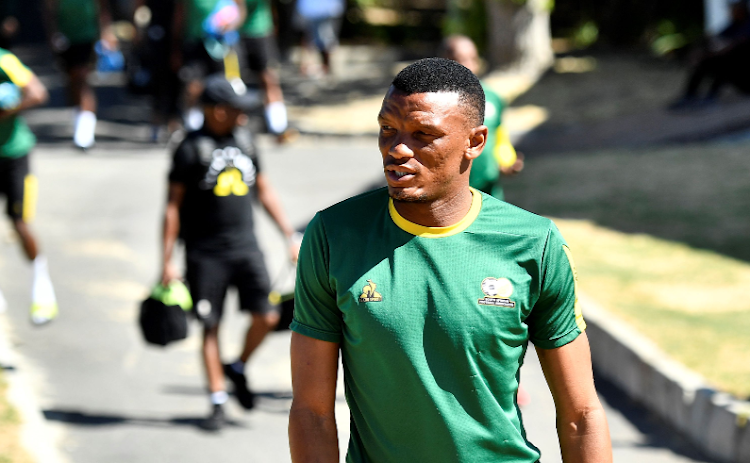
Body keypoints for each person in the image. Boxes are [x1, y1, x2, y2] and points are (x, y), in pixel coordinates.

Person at [288, 58, 612, 462]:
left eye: (424, 134)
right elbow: (311, 412)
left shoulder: (534, 244)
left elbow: (581, 413)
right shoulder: (335, 236)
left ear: (475, 142)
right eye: (387, 129)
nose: (397, 149)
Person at [162, 75, 299, 431]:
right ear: (216, 110)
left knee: (267, 316)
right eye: (236, 109)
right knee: (210, 326)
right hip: (205, 253)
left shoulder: (245, 141)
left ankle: (237, 366)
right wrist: (165, 261)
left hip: (246, 247)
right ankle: (217, 401)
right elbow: (172, 206)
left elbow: (264, 190)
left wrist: (288, 234)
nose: (243, 115)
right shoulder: (189, 147)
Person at [0, 48, 58, 324]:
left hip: (13, 155)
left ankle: (42, 286)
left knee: (19, 223)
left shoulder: (5, 61)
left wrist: (9, 108)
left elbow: (37, 92)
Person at [442, 34, 523, 202]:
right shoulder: (432, 101)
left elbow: (500, 139)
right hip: (447, 196)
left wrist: (506, 162)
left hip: (489, 194)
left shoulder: (492, 98)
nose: (468, 65)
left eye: (472, 58)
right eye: (460, 59)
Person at [44, 0, 117, 150]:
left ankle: (85, 132)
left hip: (87, 37)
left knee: (82, 79)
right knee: (72, 80)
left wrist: (106, 34)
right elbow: (50, 11)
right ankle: (79, 119)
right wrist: (53, 34)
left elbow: (102, 10)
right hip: (66, 39)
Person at [172, 0, 246, 131]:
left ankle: (227, 126)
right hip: (195, 42)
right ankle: (192, 126)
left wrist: (231, 24)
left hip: (223, 43)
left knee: (227, 86)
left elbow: (241, 10)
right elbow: (180, 14)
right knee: (193, 87)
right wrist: (176, 46)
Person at [670, 0, 750, 108]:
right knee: (703, 64)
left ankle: (711, 97)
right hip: (733, 70)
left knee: (723, 64)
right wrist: (701, 51)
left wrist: (710, 53)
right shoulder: (734, 25)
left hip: (743, 75)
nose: (730, 11)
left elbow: (732, 45)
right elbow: (715, 38)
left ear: (741, 9)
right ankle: (690, 95)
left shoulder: (747, 26)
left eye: (733, 9)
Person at [239, 0, 295, 142]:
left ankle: (278, 126)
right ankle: (239, 124)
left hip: (261, 32)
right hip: (236, 35)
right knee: (237, 82)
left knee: (269, 79)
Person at [295, 0, 345, 76]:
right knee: (310, 40)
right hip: (310, 12)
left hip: (326, 12)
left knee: (327, 41)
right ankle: (313, 66)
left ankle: (326, 67)